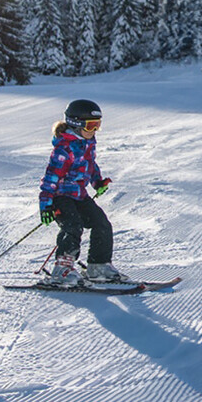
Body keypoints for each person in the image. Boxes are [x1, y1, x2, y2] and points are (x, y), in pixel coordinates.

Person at [37, 99, 124, 286]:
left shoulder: (88, 142)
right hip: (61, 197)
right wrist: (45, 206)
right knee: (73, 226)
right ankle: (62, 269)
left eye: (97, 126)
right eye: (91, 125)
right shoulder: (64, 148)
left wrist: (98, 182)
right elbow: (50, 178)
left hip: (79, 195)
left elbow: (90, 166)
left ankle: (98, 265)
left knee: (101, 223)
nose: (94, 130)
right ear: (76, 124)